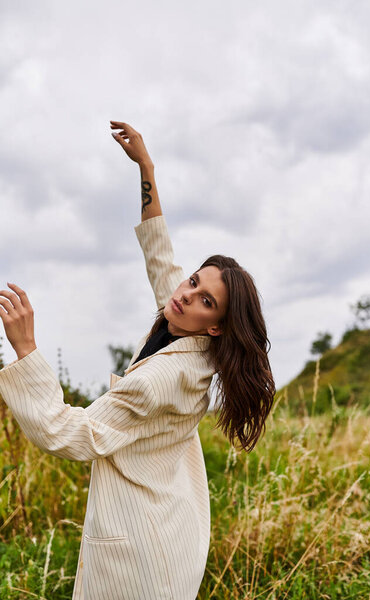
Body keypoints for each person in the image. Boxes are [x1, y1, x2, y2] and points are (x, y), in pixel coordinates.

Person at [0, 121, 275, 600]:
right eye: (194, 282)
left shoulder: (164, 379)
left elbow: (68, 433)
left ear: (216, 326)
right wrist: (146, 169)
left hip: (139, 555)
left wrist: (26, 349)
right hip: (166, 524)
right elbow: (161, 258)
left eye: (206, 300)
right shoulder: (196, 334)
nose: (187, 295)